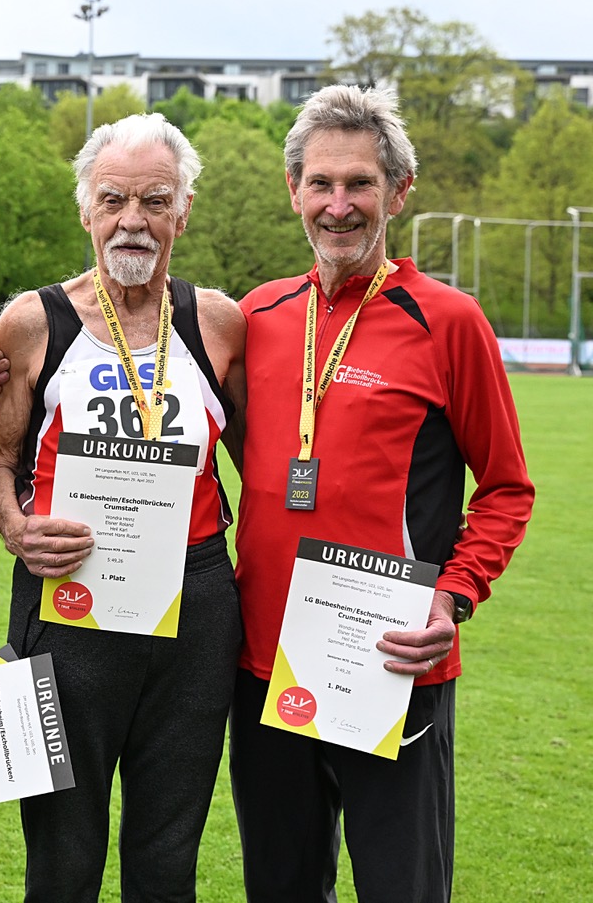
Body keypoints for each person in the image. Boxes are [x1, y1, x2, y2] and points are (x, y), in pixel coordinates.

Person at [228, 84, 534, 903]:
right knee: (280, 889)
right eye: (321, 183)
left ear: (398, 192)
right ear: (293, 189)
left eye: (360, 183)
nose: (339, 205)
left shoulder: (449, 321)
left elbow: (506, 486)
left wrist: (453, 594)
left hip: (393, 662)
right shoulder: (257, 314)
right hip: (265, 665)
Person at [0, 113, 246, 903]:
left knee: (168, 854)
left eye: (155, 201)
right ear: (85, 210)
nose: (133, 219)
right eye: (114, 199)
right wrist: (17, 529)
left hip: (194, 604)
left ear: (183, 212)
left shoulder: (217, 323)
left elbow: (264, 472)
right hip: (70, 598)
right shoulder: (34, 322)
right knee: (62, 856)